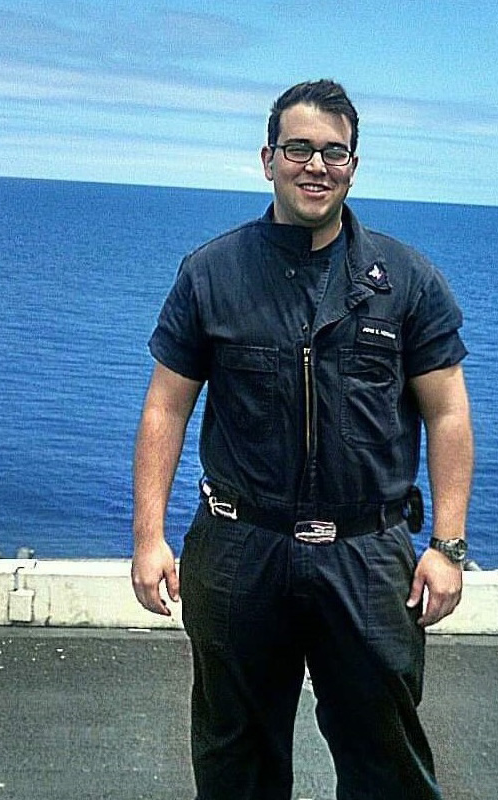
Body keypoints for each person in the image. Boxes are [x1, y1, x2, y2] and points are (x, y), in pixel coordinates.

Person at [130, 80, 472, 800]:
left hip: (367, 553)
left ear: (353, 164)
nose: (315, 165)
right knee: (236, 765)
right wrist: (148, 536)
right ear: (267, 159)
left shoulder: (407, 280)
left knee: (387, 764)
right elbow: (166, 406)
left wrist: (447, 547)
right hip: (238, 550)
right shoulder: (211, 273)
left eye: (333, 151)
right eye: (298, 149)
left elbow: (447, 415)